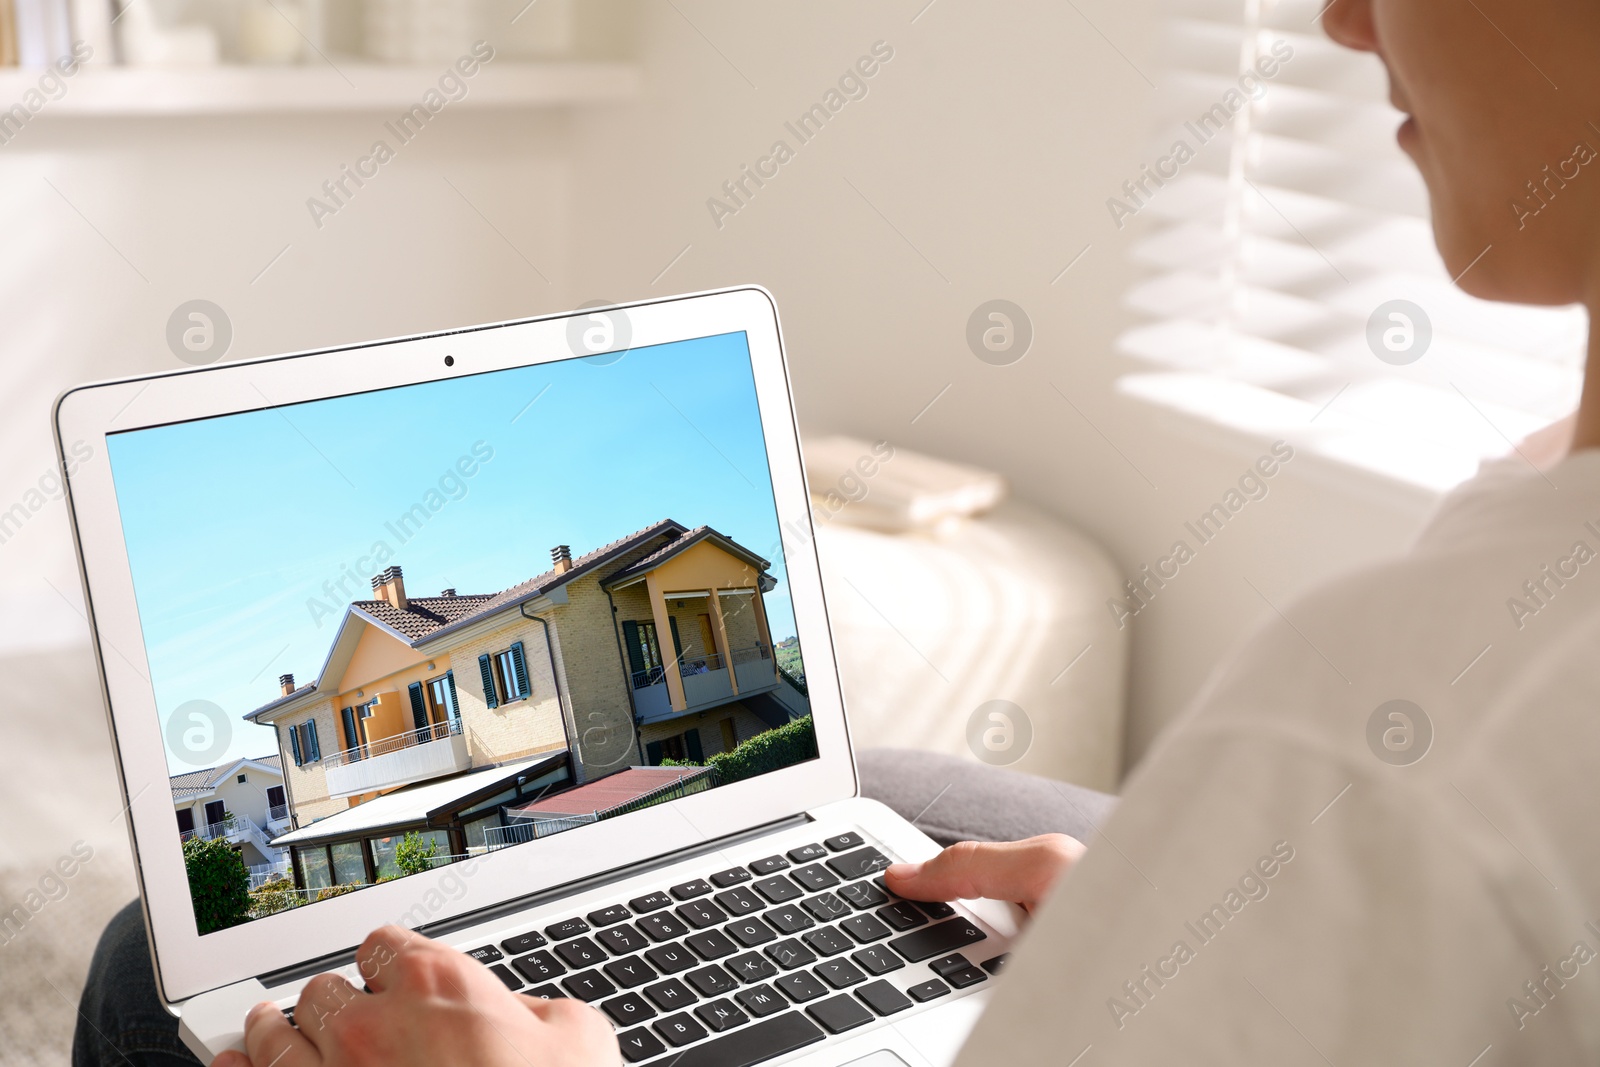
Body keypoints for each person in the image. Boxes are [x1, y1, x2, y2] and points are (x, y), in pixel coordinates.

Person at [77, 0, 1600, 1061]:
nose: (1345, 19)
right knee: (870, 797)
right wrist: (1174, 927)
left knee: (160, 972)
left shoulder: (1404, 718)